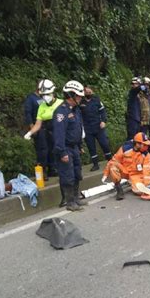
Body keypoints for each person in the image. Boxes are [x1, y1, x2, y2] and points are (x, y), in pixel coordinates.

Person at [52, 80, 87, 212]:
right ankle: (69, 201)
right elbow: (59, 134)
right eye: (78, 95)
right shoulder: (61, 112)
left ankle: (76, 198)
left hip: (75, 147)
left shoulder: (76, 110)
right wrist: (62, 152)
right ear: (71, 95)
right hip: (65, 148)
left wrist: (80, 145)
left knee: (77, 173)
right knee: (68, 175)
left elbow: (78, 129)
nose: (80, 98)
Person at [24, 79, 62, 179]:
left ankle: (52, 168)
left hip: (53, 128)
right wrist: (31, 129)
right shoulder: (32, 99)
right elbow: (30, 115)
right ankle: (42, 171)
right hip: (41, 128)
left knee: (52, 149)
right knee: (42, 150)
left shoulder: (56, 101)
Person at [101, 132, 150, 200]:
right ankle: (119, 190)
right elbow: (114, 160)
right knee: (113, 167)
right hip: (125, 171)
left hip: (136, 174)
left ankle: (132, 183)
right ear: (137, 144)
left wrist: (146, 186)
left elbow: (147, 171)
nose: (146, 146)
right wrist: (106, 174)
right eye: (144, 144)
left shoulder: (146, 154)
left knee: (139, 191)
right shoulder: (125, 149)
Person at [80, 86, 112, 171]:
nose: (88, 94)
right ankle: (95, 164)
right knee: (91, 147)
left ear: (92, 92)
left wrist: (103, 121)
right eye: (86, 92)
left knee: (104, 144)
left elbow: (103, 112)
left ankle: (110, 161)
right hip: (87, 128)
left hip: (98, 127)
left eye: (89, 92)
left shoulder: (96, 100)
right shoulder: (81, 102)